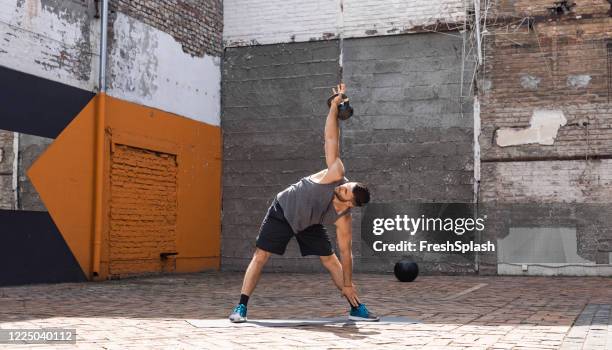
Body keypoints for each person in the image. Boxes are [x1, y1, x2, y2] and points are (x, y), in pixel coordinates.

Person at [229, 83, 379, 323]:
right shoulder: (336, 173)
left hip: (309, 223)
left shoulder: (343, 219)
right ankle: (241, 307)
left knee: (332, 260)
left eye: (345, 191)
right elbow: (331, 139)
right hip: (285, 210)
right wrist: (333, 108)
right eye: (345, 186)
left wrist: (349, 284)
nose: (341, 186)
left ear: (350, 204)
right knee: (261, 256)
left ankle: (355, 305)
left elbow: (346, 253)